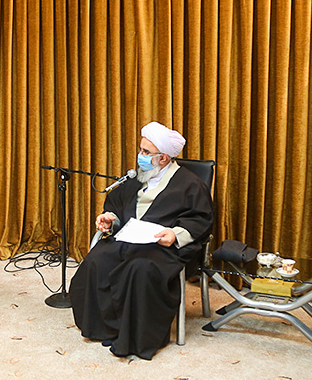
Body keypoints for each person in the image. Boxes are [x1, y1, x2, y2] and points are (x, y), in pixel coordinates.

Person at [69, 122, 213, 359]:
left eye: (146, 152)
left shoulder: (190, 184)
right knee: (97, 261)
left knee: (139, 268)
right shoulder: (135, 178)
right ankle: (105, 327)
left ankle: (134, 337)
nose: (140, 155)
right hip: (128, 239)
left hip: (163, 247)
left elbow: (201, 218)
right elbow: (117, 207)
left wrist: (175, 234)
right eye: (141, 149)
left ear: (163, 158)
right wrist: (110, 220)